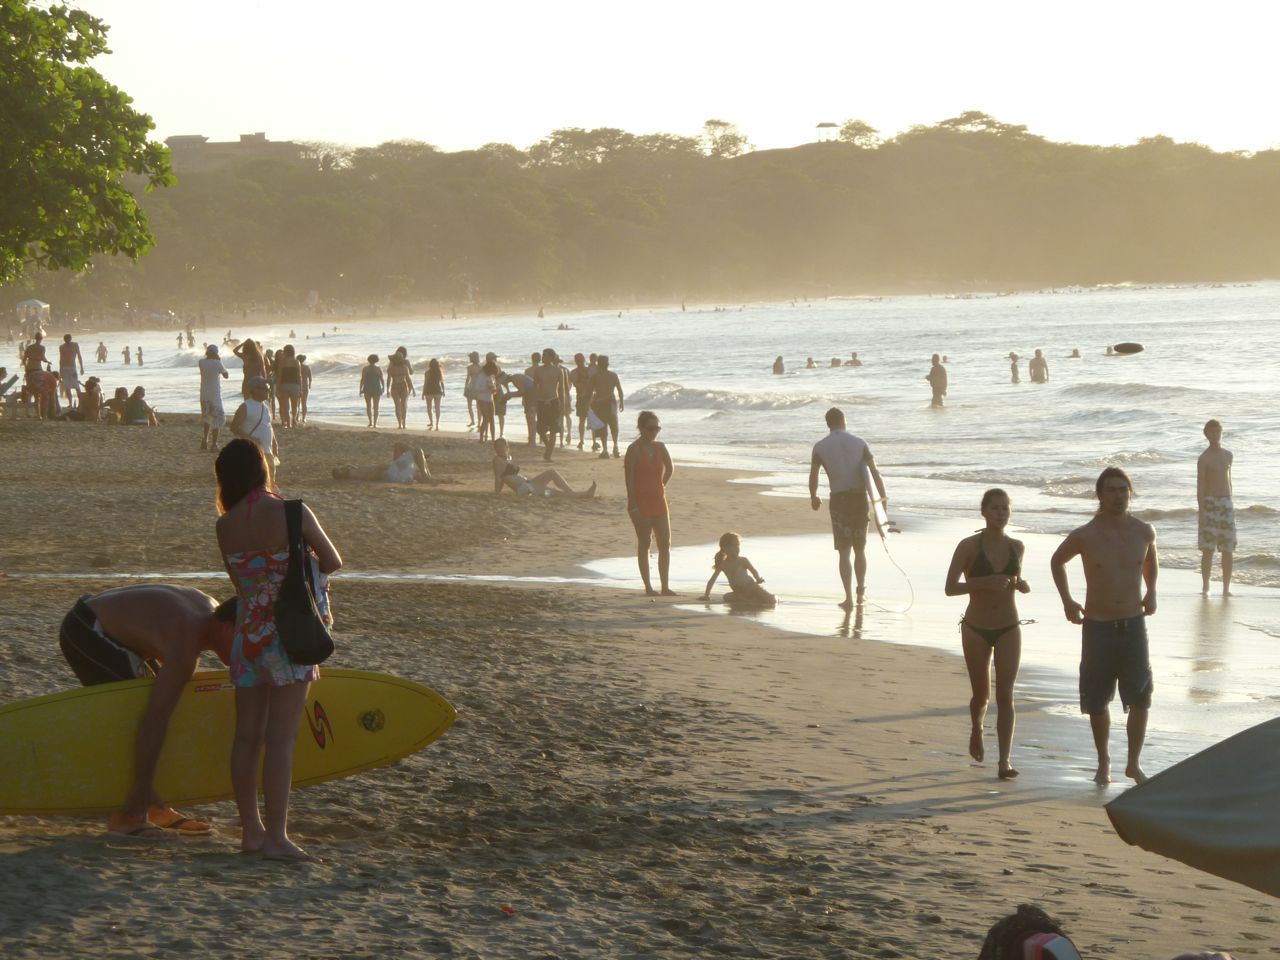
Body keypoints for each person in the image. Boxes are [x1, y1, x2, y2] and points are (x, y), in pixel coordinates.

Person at [215, 439, 342, 860]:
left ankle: (251, 833)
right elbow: (332, 561)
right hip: (289, 637)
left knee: (246, 737)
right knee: (281, 740)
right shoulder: (292, 511)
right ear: (262, 468)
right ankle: (277, 838)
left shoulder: (225, 525)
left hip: (248, 636)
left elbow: (241, 585)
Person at [57, 584, 236, 838]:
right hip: (88, 628)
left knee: (158, 704)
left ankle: (154, 805)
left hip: (112, 627)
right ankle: (130, 815)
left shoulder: (212, 611)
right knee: (140, 717)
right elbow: (155, 719)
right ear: (228, 628)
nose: (250, 653)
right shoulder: (186, 641)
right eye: (249, 642)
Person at [1050, 467, 1156, 785]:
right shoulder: (1085, 535)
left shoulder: (1143, 531)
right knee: (1097, 700)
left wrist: (1151, 591)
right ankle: (1103, 760)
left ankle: (1133, 764)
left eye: (1123, 489)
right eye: (1111, 490)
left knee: (1140, 697)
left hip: (1133, 624)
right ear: (1100, 495)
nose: (1118, 496)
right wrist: (1068, 601)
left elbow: (1149, 560)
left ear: (1130, 493)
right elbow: (1057, 561)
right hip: (1098, 626)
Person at [944, 489, 1029, 780]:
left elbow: (1014, 579)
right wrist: (984, 582)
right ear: (984, 512)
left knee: (1006, 696)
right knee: (981, 696)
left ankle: (1005, 761)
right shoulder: (968, 546)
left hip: (1009, 626)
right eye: (995, 508)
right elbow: (950, 588)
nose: (1001, 513)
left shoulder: (1017, 546)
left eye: (1005, 508)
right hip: (975, 628)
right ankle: (977, 729)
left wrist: (1021, 585)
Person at [809, 407, 887, 610]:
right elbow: (875, 473)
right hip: (859, 499)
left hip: (839, 500)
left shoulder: (820, 447)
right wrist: (882, 503)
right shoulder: (859, 443)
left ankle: (848, 599)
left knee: (844, 552)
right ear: (844, 421)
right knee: (860, 549)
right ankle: (861, 593)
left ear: (828, 424)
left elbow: (814, 474)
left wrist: (814, 496)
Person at [624, 411, 675, 596]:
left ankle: (665, 587)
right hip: (640, 502)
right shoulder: (634, 450)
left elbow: (670, 467)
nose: (654, 432)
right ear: (641, 428)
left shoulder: (660, 447)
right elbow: (629, 480)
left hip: (659, 501)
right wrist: (633, 505)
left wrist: (662, 484)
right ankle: (648, 587)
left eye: (657, 428)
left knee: (665, 544)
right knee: (645, 543)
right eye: (650, 428)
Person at [1197, 419, 1235, 597]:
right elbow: (1201, 486)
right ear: (1206, 434)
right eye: (1211, 432)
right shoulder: (1204, 458)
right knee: (1208, 549)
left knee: (1228, 548)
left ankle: (1226, 588)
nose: (1215, 435)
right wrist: (1202, 512)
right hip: (1210, 503)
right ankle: (1206, 586)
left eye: (1218, 431)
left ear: (1221, 433)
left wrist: (1230, 502)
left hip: (1226, 503)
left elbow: (1229, 481)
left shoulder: (1228, 455)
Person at [491, 438, 595, 498]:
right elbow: (498, 478)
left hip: (528, 484)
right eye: (497, 447)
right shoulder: (497, 460)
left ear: (507, 447)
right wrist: (497, 494)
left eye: (501, 446)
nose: (499, 449)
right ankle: (582, 495)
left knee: (551, 472)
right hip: (526, 490)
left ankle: (571, 492)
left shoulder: (508, 458)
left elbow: (513, 475)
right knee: (553, 493)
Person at [700, 533, 775, 607]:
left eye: (738, 545)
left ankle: (759, 599)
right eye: (734, 546)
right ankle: (753, 600)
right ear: (725, 548)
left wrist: (758, 578)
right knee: (727, 597)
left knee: (771, 600)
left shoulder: (743, 560)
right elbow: (712, 580)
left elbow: (753, 571)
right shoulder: (723, 564)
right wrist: (706, 595)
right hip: (739, 592)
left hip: (752, 587)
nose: (737, 548)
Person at [230, 377, 279, 485]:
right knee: (255, 479)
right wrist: (251, 439)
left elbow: (268, 424)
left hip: (267, 449)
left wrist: (274, 442)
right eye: (265, 389)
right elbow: (234, 427)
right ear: (255, 390)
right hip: (252, 450)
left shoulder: (265, 406)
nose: (268, 391)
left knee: (270, 478)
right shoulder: (246, 406)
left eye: (269, 389)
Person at [333, 441, 443, 483]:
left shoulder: (356, 472)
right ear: (344, 470)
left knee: (401, 447)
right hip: (392, 474)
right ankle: (427, 476)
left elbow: (374, 473)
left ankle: (426, 474)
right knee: (416, 450)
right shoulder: (355, 472)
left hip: (395, 474)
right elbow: (376, 472)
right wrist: (387, 466)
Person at [532, 347, 565, 461]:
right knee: (540, 430)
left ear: (551, 357)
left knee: (554, 429)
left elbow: (561, 389)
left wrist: (563, 405)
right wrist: (534, 402)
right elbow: (534, 387)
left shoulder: (558, 371)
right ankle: (548, 447)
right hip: (541, 401)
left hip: (553, 401)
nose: (542, 357)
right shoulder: (538, 370)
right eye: (542, 355)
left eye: (545, 355)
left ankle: (549, 454)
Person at [589, 355, 624, 459]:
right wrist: (621, 402)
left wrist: (589, 404)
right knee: (614, 425)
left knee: (603, 427)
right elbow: (619, 390)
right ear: (607, 364)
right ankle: (615, 447)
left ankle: (605, 450)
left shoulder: (595, 377)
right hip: (611, 402)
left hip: (599, 403)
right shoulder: (613, 375)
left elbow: (589, 392)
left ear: (598, 365)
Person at [199, 344, 229, 451]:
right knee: (217, 419)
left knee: (207, 418)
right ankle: (214, 444)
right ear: (216, 353)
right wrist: (219, 360)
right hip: (214, 396)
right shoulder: (217, 363)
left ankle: (205, 439)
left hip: (203, 395)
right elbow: (226, 375)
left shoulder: (201, 362)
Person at [273, 344, 303, 428]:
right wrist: (301, 389)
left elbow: (280, 376)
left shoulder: (282, 362)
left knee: (285, 406)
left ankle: (288, 423)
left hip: (284, 385)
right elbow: (299, 376)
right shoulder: (297, 362)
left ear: (286, 352)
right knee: (295, 405)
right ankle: (294, 420)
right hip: (295, 385)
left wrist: (278, 387)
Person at [568, 353, 593, 450]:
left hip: (586, 397)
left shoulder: (574, 372)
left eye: (579, 360)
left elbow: (569, 386)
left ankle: (584, 441)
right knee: (588, 420)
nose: (579, 362)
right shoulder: (588, 371)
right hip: (586, 398)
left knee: (584, 420)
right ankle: (586, 441)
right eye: (579, 360)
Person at [386, 346, 414, 429]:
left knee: (397, 406)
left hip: (394, 386)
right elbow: (409, 378)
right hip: (403, 386)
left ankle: (399, 424)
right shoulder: (405, 366)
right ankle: (404, 423)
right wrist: (412, 388)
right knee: (404, 405)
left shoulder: (391, 367)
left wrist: (387, 389)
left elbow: (388, 378)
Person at [473, 359, 498, 442]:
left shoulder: (490, 376)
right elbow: (476, 390)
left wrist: (494, 389)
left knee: (492, 419)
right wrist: (487, 389)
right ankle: (481, 438)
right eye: (492, 371)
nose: (493, 373)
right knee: (486, 418)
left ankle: (493, 439)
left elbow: (493, 389)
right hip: (482, 399)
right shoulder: (481, 376)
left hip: (490, 399)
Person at [58, 334, 84, 408]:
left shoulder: (75, 345)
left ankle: (80, 403)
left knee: (76, 386)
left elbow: (79, 356)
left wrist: (82, 367)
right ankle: (70, 404)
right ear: (64, 340)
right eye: (66, 339)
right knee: (67, 387)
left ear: (70, 339)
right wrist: (60, 372)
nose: (67, 341)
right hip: (64, 368)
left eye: (68, 339)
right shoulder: (62, 347)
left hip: (72, 368)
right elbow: (61, 359)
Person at [359, 353, 384, 428]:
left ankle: (370, 422)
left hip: (367, 388)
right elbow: (382, 379)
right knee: (376, 407)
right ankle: (375, 424)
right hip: (376, 388)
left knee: (368, 406)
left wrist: (360, 389)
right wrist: (383, 387)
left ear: (369, 360)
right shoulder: (378, 369)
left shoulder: (365, 369)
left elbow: (362, 380)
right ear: (376, 360)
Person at [422, 358, 444, 429]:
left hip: (429, 391)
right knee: (437, 408)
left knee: (429, 408)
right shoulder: (439, 371)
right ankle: (437, 423)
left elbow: (425, 383)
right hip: (437, 391)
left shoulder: (427, 372)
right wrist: (443, 390)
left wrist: (423, 393)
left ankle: (431, 422)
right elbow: (442, 382)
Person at [462, 351, 481, 428]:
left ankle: (473, 421)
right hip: (479, 388)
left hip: (471, 387)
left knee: (469, 406)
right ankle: (479, 423)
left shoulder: (469, 367)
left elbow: (467, 379)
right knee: (478, 407)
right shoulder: (481, 367)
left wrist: (465, 388)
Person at [297, 354, 312, 423]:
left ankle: (297, 416)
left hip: (297, 385)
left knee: (297, 403)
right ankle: (304, 417)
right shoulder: (307, 367)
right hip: (305, 386)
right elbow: (310, 378)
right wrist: (310, 385)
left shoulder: (296, 367)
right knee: (304, 403)